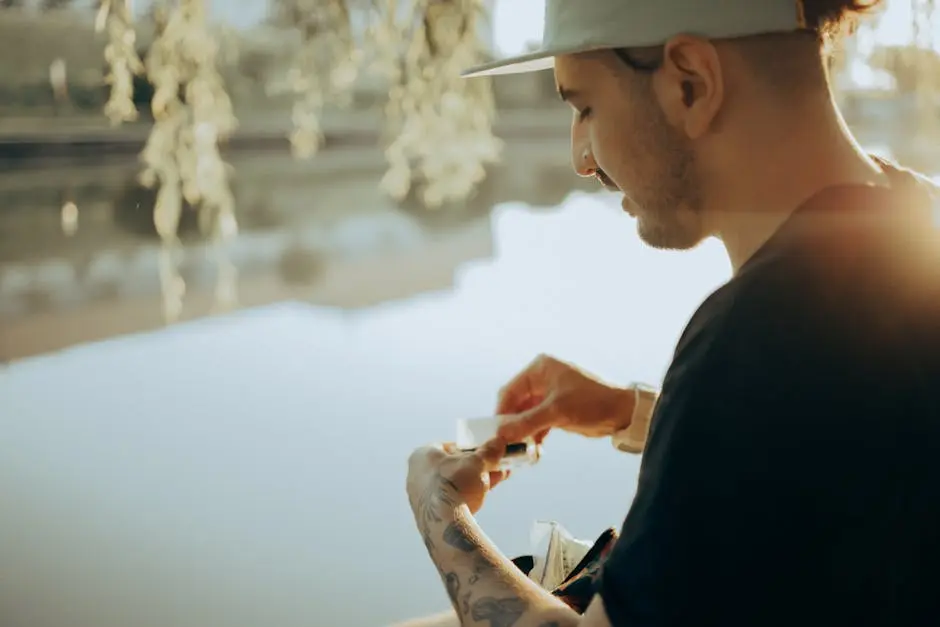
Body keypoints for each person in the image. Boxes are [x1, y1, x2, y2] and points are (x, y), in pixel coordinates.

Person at [404, 1, 940, 626]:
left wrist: (439, 511)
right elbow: (838, 443)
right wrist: (632, 414)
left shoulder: (753, 336)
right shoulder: (915, 219)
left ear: (690, 82)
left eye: (584, 108)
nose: (582, 158)